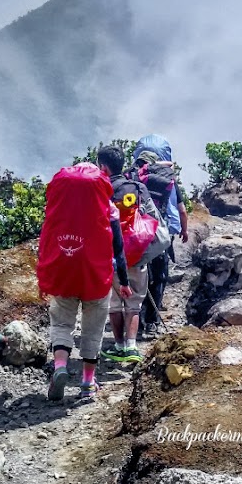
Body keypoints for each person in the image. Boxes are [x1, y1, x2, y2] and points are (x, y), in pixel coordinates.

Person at [36, 162, 132, 401]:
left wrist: (45, 277)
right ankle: (88, 382)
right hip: (96, 277)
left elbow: (46, 242)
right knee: (93, 329)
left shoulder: (57, 210)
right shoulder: (109, 209)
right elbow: (118, 248)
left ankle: (59, 367)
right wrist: (124, 281)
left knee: (61, 324)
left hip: (64, 273)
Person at [96, 145, 170, 365]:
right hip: (136, 253)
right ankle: (131, 346)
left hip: (109, 255)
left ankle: (118, 346)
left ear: (103, 166)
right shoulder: (137, 187)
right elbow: (151, 217)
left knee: (114, 303)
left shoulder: (101, 189)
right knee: (134, 303)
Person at [130, 135, 189, 334]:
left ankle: (134, 322)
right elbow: (181, 210)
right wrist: (184, 230)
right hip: (160, 233)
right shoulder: (166, 179)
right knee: (159, 274)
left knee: (138, 274)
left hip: (136, 233)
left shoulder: (130, 177)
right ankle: (152, 322)